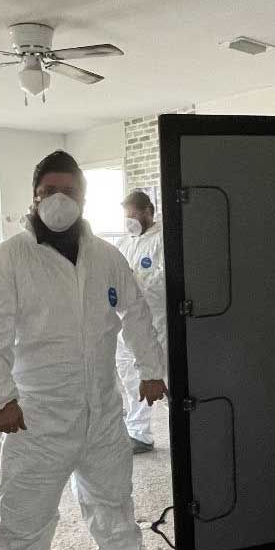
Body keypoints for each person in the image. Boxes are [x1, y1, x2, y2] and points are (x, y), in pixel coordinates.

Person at [0, 150, 176, 550]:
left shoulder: (108, 255)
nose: (59, 201)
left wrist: (152, 369)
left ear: (83, 197)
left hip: (102, 408)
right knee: (24, 516)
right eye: (49, 192)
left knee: (113, 493)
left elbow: (136, 314)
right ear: (34, 197)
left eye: (69, 191)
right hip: (36, 415)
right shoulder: (11, 258)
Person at [115, 189, 166, 454]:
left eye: (134, 215)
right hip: (125, 326)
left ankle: (185, 430)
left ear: (149, 212)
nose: (130, 221)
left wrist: (136, 285)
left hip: (157, 325)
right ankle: (139, 433)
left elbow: (164, 281)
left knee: (164, 377)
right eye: (127, 216)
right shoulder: (124, 243)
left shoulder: (163, 240)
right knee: (130, 379)